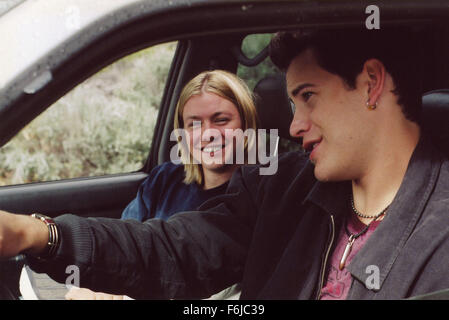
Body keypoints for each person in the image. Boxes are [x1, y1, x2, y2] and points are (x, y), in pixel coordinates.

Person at [0, 27, 448, 299]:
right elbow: (174, 248)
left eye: (308, 96)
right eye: (292, 104)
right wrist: (38, 234)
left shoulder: (439, 234)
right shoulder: (281, 189)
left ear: (371, 82)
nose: (295, 127)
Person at [64, 69, 258, 299]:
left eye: (221, 120)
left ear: (246, 125)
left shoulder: (256, 198)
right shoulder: (165, 178)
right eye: (194, 124)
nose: (208, 134)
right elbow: (124, 241)